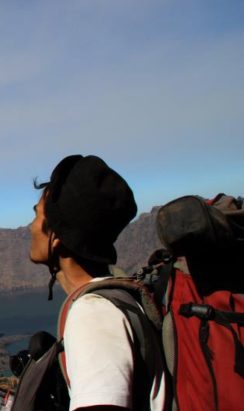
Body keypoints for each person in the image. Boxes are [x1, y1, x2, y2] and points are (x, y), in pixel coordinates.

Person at [29, 155, 167, 411]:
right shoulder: (123, 293)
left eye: (36, 215)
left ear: (57, 236)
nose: (30, 226)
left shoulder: (93, 315)